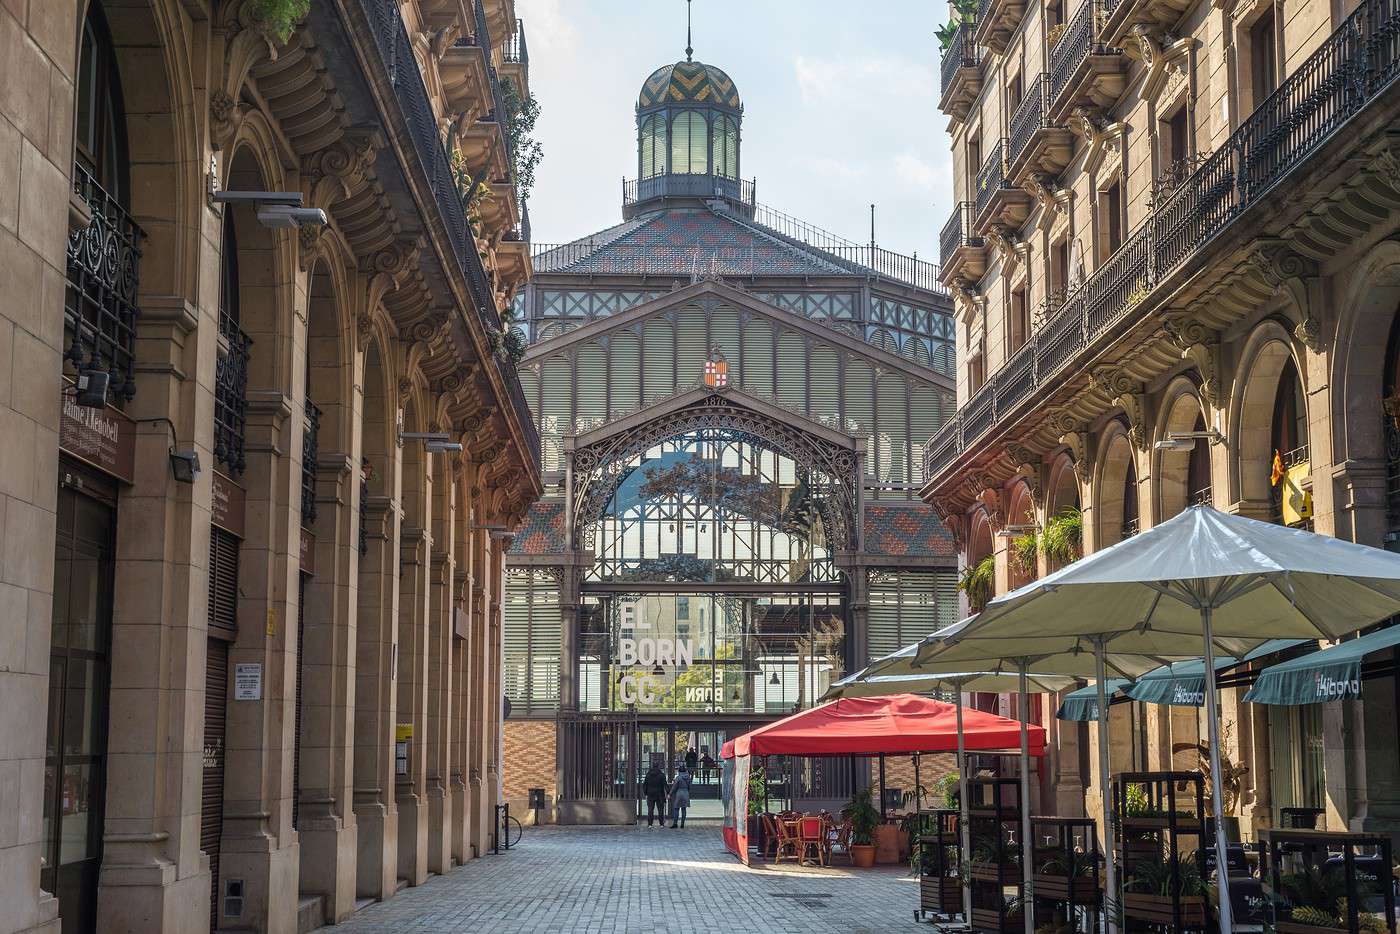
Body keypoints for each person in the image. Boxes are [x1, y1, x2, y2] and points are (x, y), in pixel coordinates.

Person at [643, 762, 667, 827]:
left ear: (652, 766)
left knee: (650, 809)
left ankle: (650, 824)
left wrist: (645, 793)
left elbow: (645, 784)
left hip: (650, 794)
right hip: (660, 794)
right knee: (660, 809)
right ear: (658, 766)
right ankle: (661, 824)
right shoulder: (661, 775)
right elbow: (665, 784)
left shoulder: (648, 774)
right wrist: (668, 793)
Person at [669, 763, 692, 829]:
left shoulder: (678, 778)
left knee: (676, 808)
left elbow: (674, 787)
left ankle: (675, 823)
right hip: (686, 793)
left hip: (679, 793)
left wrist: (670, 793)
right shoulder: (688, 777)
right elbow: (689, 786)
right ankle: (682, 824)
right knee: (683, 809)